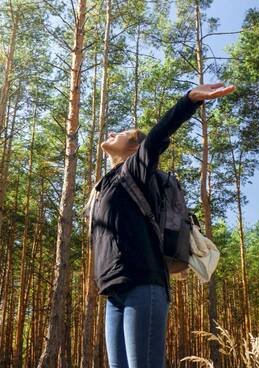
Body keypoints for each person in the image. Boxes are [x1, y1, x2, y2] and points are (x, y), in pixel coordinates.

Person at [85, 82, 235, 368]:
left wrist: (189, 100)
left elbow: (156, 137)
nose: (114, 133)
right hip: (113, 292)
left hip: (144, 284)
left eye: (124, 134)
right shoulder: (105, 186)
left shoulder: (134, 170)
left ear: (135, 148)